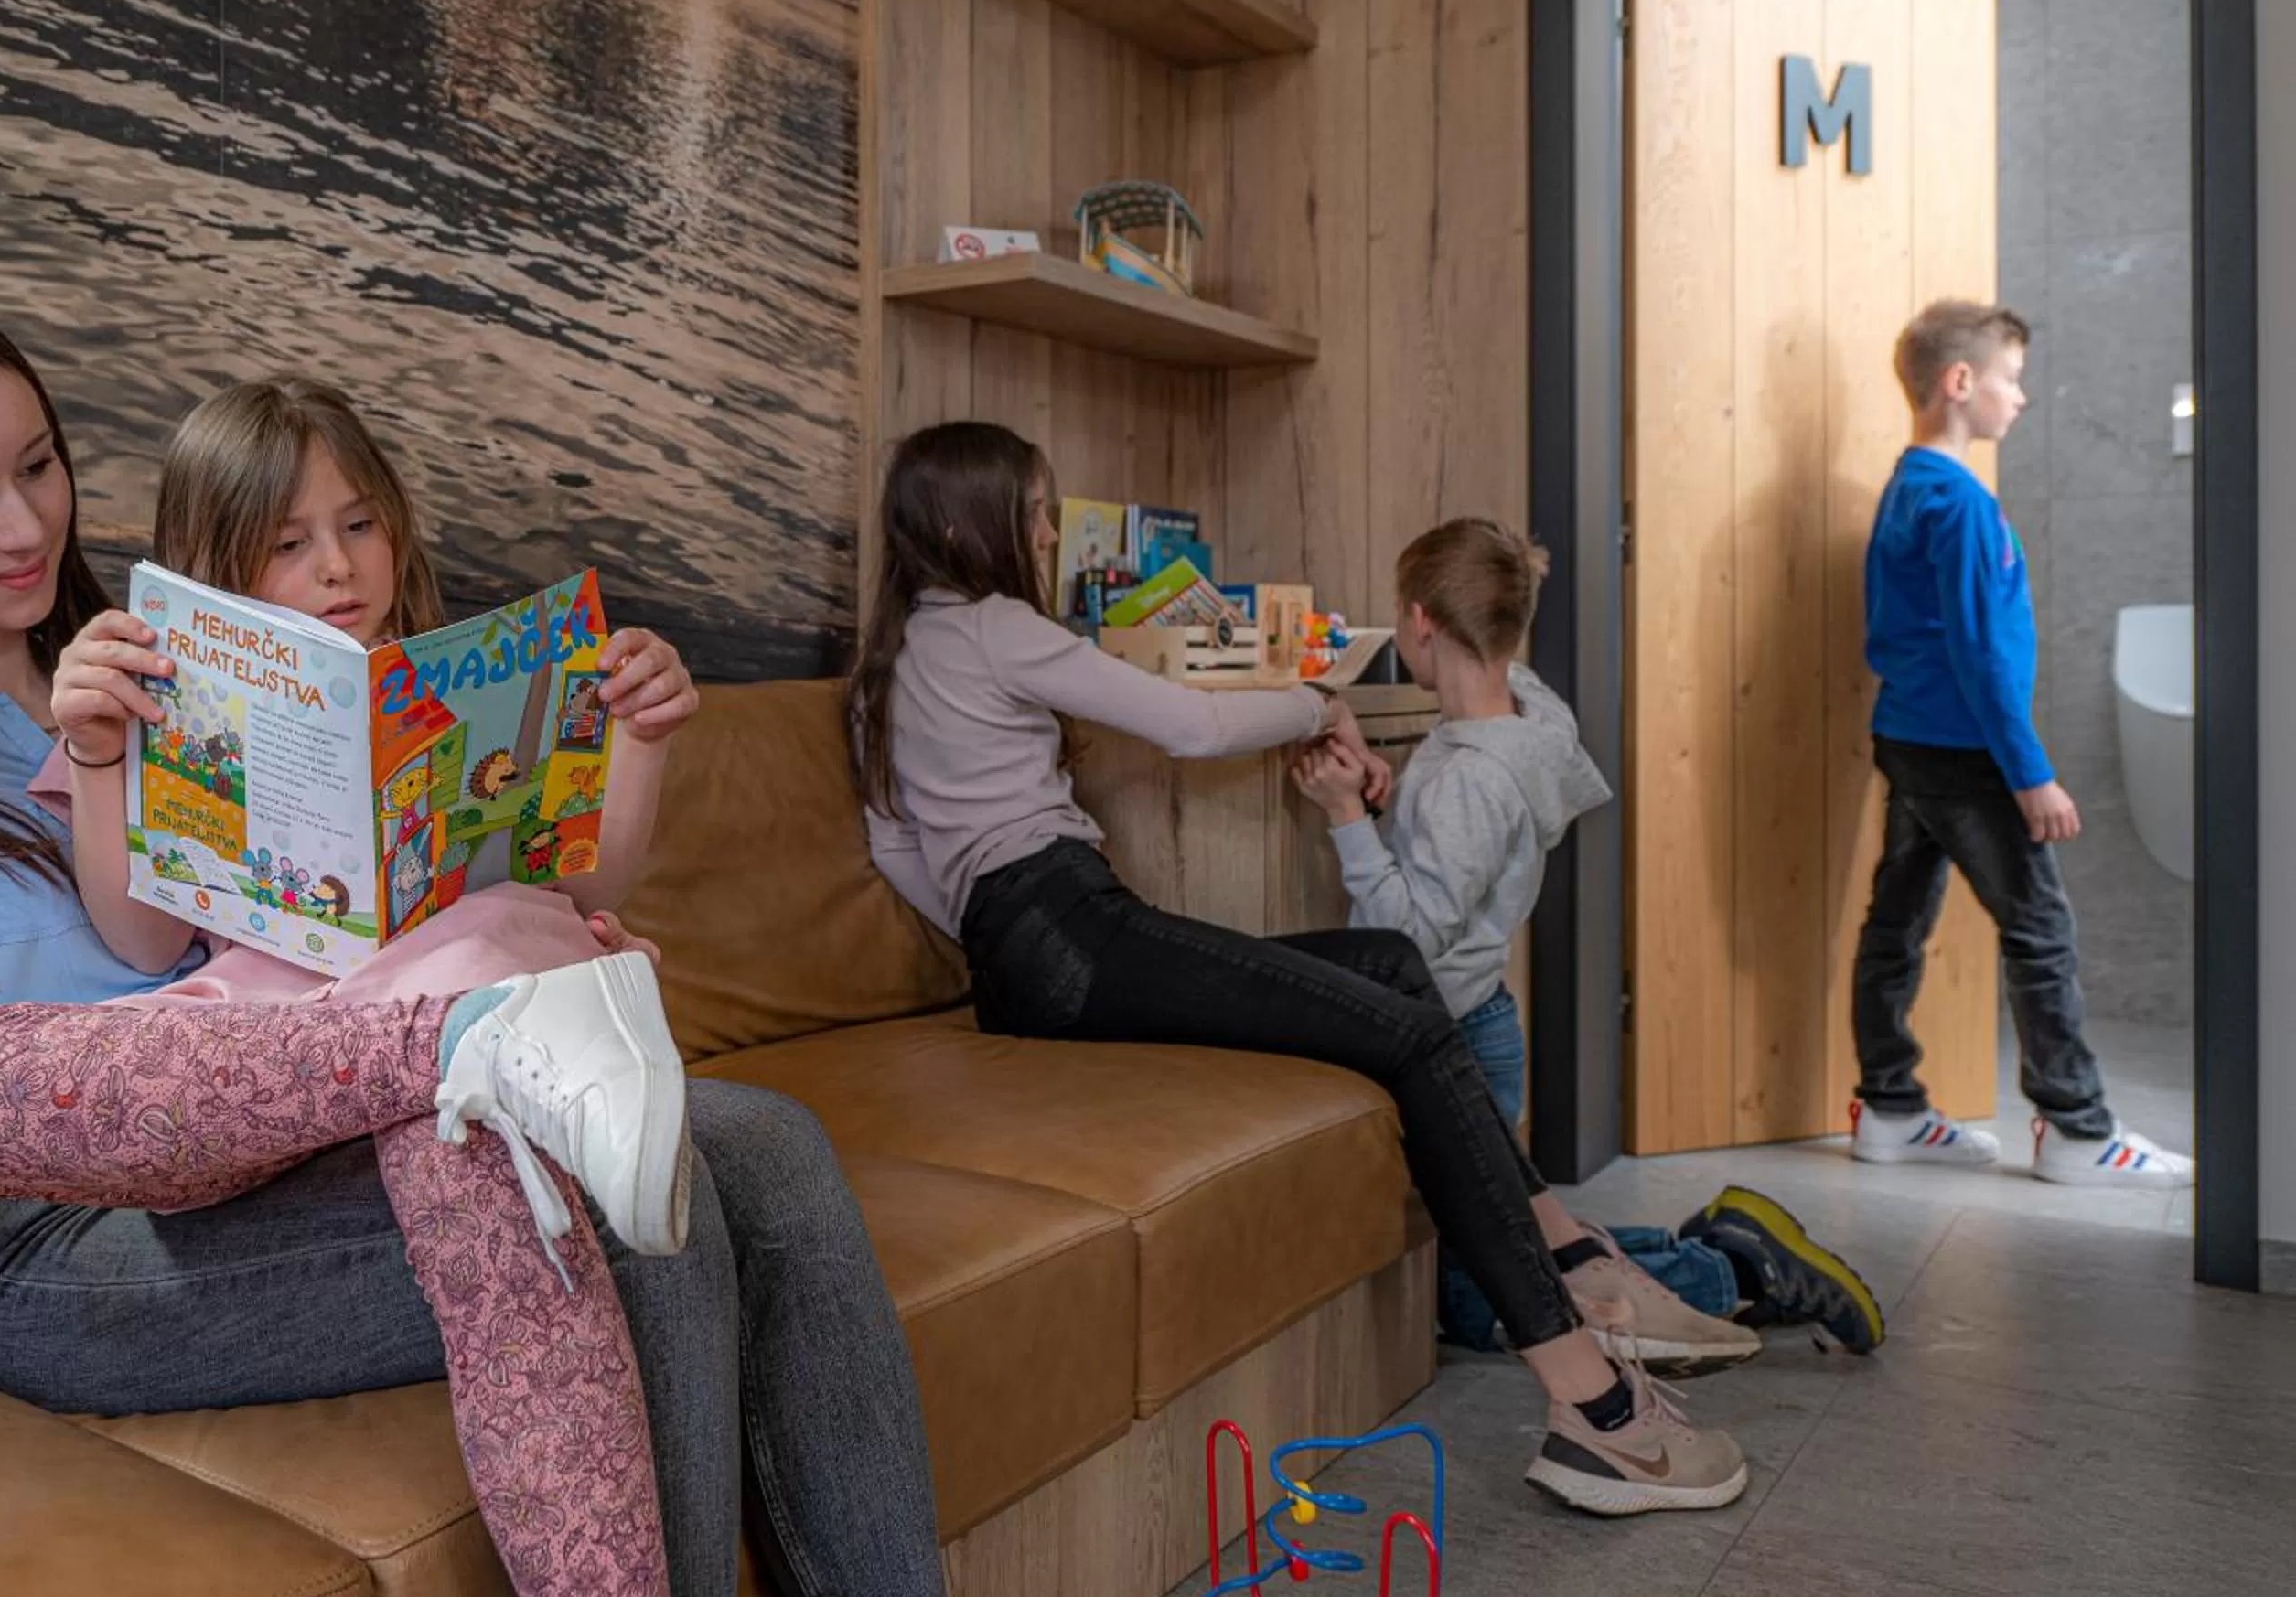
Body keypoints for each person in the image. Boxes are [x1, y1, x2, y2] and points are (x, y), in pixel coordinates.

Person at [0, 284, 954, 1597]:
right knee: (615, 1206)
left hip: (289, 1143)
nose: (26, 525)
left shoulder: (181, 677)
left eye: (40, 466)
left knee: (769, 1147)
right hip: (54, 1244)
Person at [851, 421, 1749, 1518]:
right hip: (1070, 929)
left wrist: (1003, 934)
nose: (1045, 532)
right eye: (1034, 511)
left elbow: (900, 850)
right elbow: (1184, 723)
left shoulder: (894, 664)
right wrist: (1319, 702)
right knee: (1415, 1029)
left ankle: (1566, 1249)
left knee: (1384, 963)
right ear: (961, 521)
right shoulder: (993, 626)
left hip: (1035, 944)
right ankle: (1594, 1407)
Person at [1292, 518, 1884, 1362]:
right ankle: (1711, 1249)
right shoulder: (1528, 724)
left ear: (1419, 621)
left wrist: (1349, 819)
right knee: (1502, 1242)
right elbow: (1460, 859)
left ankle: (1737, 1275)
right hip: (1481, 1015)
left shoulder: (1471, 776)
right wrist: (1390, 798)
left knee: (1481, 1290)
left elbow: (1410, 936)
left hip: (1449, 1025)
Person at [1847, 302, 2191, 1187]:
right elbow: (1982, 654)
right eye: (2011, 376)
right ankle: (2078, 1130)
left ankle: (1889, 1108)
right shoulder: (1961, 503)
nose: (2023, 396)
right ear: (1961, 384)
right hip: (1966, 752)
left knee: (1898, 922)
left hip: (1909, 738)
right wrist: (2031, 774)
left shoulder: (1908, 484)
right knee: (2041, 930)